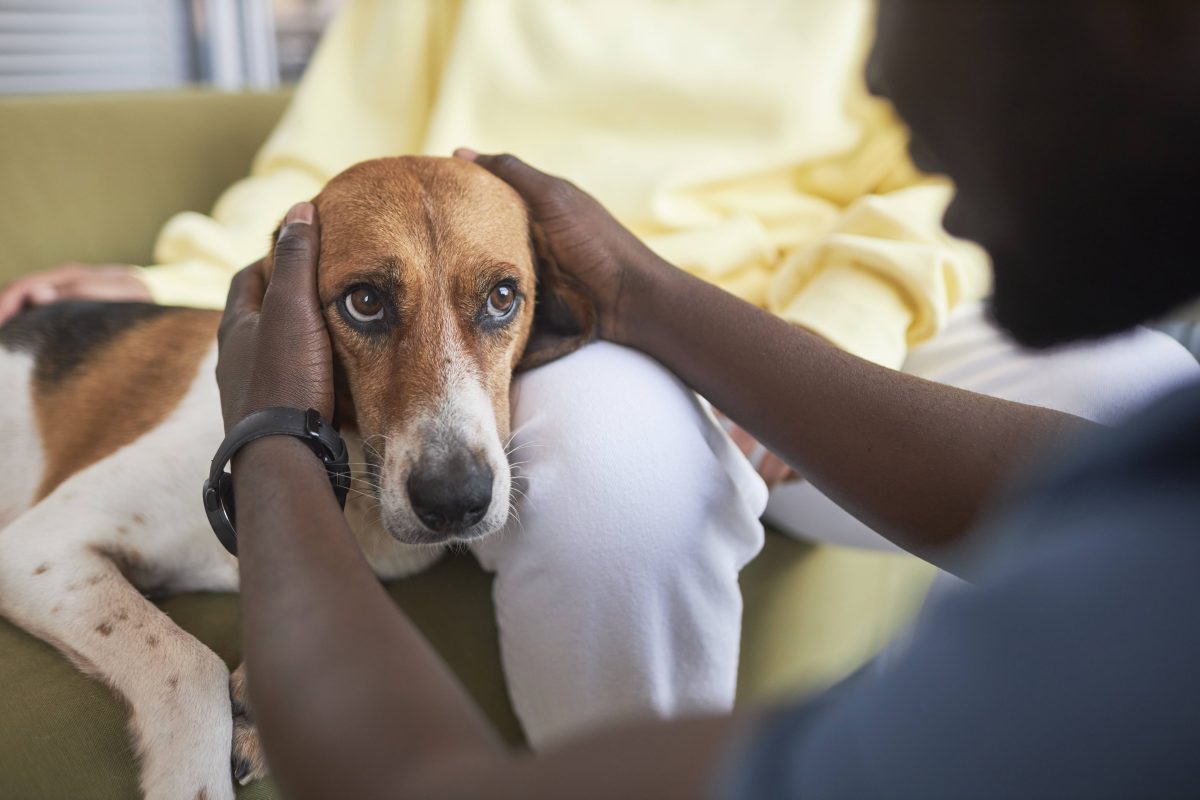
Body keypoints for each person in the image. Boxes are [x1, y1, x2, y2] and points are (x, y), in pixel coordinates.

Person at [3, 0, 1196, 749]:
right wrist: (198, 278)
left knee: (1139, 400)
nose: (878, 68)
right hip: (585, 327)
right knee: (615, 484)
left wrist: (823, 338)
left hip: (864, 297)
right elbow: (329, 181)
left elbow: (947, 162)